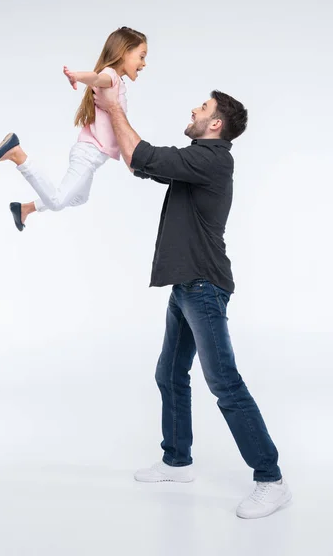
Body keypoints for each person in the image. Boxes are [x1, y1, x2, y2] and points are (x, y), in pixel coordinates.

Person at [93, 86, 292, 519]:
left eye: (202, 108)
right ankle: (177, 461)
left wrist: (113, 106)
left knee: (224, 382)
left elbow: (143, 153)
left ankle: (271, 480)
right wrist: (110, 116)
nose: (194, 110)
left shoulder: (211, 159)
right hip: (186, 286)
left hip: (203, 287)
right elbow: (136, 161)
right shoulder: (195, 162)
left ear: (215, 124)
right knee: (169, 373)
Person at [0, 27, 147, 231]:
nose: (144, 63)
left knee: (79, 198)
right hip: (88, 154)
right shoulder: (110, 76)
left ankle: (24, 208)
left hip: (92, 157)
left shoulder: (118, 82)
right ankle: (17, 153)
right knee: (58, 201)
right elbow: (96, 78)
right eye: (141, 56)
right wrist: (77, 76)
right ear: (123, 53)